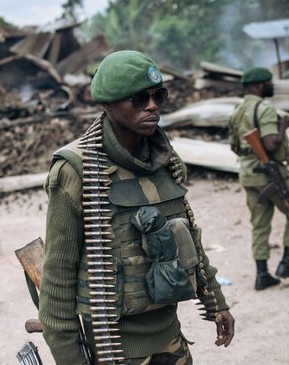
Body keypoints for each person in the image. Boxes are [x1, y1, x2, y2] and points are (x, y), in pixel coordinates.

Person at [38, 50, 235, 365]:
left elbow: (189, 239)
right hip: (114, 347)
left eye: (159, 95)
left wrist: (216, 302)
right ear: (108, 104)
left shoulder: (165, 159)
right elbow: (57, 275)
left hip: (170, 337)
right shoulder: (76, 170)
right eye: (139, 98)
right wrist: (69, 356)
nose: (153, 105)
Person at [228, 67, 289, 291]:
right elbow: (271, 143)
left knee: (260, 223)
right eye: (269, 82)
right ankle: (287, 263)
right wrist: (282, 129)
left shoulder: (238, 110)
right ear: (258, 86)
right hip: (268, 172)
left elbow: (234, 145)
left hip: (247, 173)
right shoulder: (265, 108)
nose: (272, 86)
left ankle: (262, 274)